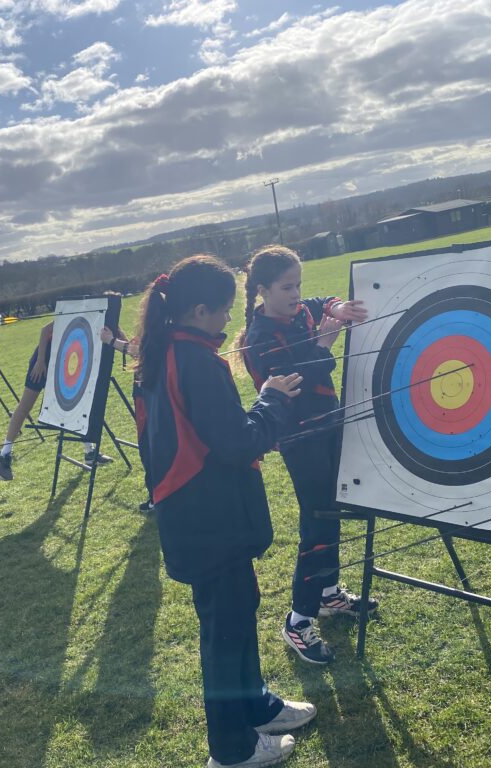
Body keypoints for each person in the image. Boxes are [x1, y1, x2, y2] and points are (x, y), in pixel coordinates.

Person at [136, 255, 315, 768]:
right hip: (209, 521)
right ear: (198, 310)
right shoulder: (193, 360)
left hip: (203, 520)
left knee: (236, 616)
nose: (229, 321)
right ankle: (232, 750)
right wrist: (271, 400)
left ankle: (255, 706)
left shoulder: (167, 349)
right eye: (224, 311)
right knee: (224, 633)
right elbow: (236, 442)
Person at [237, 244, 378, 665]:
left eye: (298, 283)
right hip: (302, 440)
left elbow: (321, 303)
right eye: (286, 287)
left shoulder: (299, 311)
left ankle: (330, 595)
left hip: (329, 425)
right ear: (263, 290)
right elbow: (298, 380)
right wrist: (324, 342)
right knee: (316, 524)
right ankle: (298, 620)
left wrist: (338, 306)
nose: (296, 293)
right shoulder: (260, 337)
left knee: (334, 510)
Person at [0, 321, 123, 481]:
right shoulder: (74, 310)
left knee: (80, 403)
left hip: (65, 363)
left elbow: (117, 331)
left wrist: (128, 346)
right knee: (25, 407)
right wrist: (40, 361)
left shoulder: (99, 314)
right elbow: (45, 330)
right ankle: (5, 453)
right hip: (43, 361)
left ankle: (89, 453)